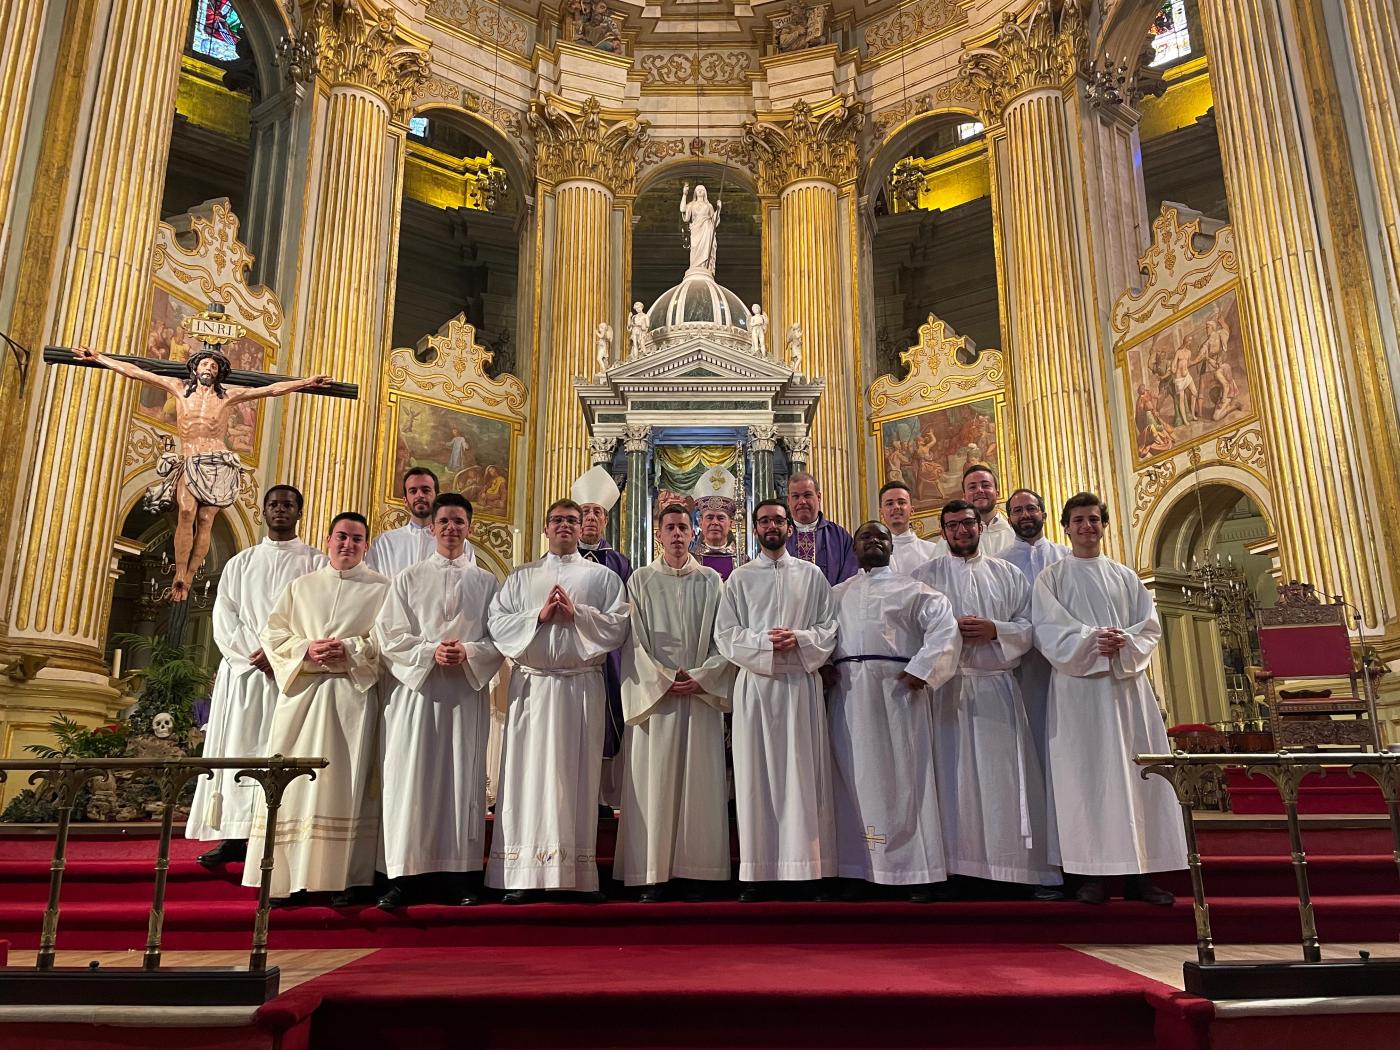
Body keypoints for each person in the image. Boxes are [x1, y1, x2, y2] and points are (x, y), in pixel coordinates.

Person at [72, 345, 329, 600]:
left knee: (206, 520)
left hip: (218, 462)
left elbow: (270, 390)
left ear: (219, 373)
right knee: (186, 511)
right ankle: (179, 572)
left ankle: (191, 574)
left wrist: (305, 382)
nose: (209, 368)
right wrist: (100, 358)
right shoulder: (178, 388)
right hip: (191, 459)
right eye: (205, 364)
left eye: (214, 366)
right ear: (195, 368)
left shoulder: (228, 396)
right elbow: (137, 373)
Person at [1032, 492, 1186, 905]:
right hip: (1079, 691)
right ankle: (1091, 874)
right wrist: (1092, 640)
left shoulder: (1126, 577)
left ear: (1103, 525)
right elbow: (1048, 632)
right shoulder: (1052, 578)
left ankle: (1141, 874)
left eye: (1094, 519)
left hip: (1126, 690)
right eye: (1078, 520)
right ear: (1065, 527)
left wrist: (1126, 641)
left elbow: (1150, 628)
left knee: (1139, 779)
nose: (1087, 527)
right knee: (1086, 779)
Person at [485, 498, 631, 903]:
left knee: (576, 778)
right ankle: (520, 873)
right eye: (557, 520)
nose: (565, 525)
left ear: (583, 524)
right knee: (526, 778)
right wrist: (539, 615)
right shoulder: (520, 576)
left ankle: (575, 873)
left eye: (572, 519)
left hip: (579, 688)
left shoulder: (601, 578)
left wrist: (578, 614)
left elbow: (618, 624)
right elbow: (498, 623)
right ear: (546, 529)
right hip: (532, 688)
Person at [242, 512, 391, 903]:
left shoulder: (382, 590)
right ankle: (284, 878)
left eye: (357, 539)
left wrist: (350, 649)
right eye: (341, 536)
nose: (348, 544)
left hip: (352, 700)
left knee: (346, 783)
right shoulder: (301, 587)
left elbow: (386, 643)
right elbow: (273, 634)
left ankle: (343, 879)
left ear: (366, 546)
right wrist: (306, 649)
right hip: (303, 699)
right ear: (328, 540)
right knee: (294, 782)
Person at [913, 501, 1059, 897]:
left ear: (981, 526)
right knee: (950, 779)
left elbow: (1031, 628)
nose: (961, 531)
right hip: (948, 690)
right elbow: (911, 631)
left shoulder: (1007, 573)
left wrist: (996, 630)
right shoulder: (924, 577)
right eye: (952, 526)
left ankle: (1011, 869)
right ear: (942, 533)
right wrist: (949, 634)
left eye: (967, 523)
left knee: (1003, 778)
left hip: (996, 686)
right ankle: (951, 870)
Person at [373, 494, 504, 910]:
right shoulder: (409, 578)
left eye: (459, 521)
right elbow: (389, 634)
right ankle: (404, 878)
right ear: (432, 528)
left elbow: (498, 638)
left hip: (465, 692)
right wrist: (430, 652)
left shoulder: (486, 583)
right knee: (412, 778)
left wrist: (468, 651)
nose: (451, 528)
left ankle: (459, 875)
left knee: (461, 779)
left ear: (470, 528)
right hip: (417, 694)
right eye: (444, 521)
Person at [189, 485, 325, 867]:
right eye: (274, 504)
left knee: (281, 753)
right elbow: (225, 616)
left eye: (288, 505)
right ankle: (234, 835)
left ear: (300, 512)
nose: (280, 510)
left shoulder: (315, 563)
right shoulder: (240, 563)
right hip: (246, 675)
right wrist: (253, 655)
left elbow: (319, 617)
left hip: (291, 677)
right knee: (241, 750)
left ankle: (280, 834)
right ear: (263, 511)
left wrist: (283, 654)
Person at [828, 522, 959, 901]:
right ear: (854, 547)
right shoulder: (837, 593)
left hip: (899, 690)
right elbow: (820, 633)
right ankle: (856, 868)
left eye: (881, 537)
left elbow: (945, 629)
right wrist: (820, 664)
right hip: (850, 692)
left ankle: (914, 871)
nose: (874, 542)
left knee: (906, 774)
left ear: (891, 546)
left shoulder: (914, 590)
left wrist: (923, 668)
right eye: (866, 537)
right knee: (851, 775)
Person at [716, 499, 838, 902]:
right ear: (754, 529)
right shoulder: (740, 578)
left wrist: (800, 640)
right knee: (756, 777)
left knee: (803, 776)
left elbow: (829, 628)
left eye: (778, 520)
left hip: (800, 685)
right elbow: (726, 634)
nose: (772, 526)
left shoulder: (812, 575)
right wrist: (766, 642)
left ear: (790, 527)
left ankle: (807, 868)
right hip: (756, 687)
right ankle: (758, 870)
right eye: (764, 520)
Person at [616, 505, 735, 901]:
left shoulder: (711, 581)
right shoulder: (641, 580)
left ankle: (698, 872)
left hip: (698, 695)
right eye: (670, 528)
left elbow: (724, 637)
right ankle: (652, 872)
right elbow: (632, 642)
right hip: (658, 698)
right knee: (655, 782)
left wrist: (702, 678)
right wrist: (662, 679)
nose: (678, 534)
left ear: (693, 533)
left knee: (700, 782)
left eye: (684, 527)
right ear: (659, 534)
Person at [572, 466, 634, 814]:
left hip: (609, 658)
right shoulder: (560, 559)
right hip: (568, 658)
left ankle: (607, 798)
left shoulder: (620, 562)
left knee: (610, 723)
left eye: (597, 512)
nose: (591, 518)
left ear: (606, 520)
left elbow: (625, 613)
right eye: (585, 512)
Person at [996, 487, 1069, 772]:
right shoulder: (1000, 564)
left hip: (1066, 662)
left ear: (1044, 513)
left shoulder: (1066, 557)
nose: (1025, 515)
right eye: (1018, 510)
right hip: (1024, 666)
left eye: (1031, 508)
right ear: (1009, 518)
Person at [367, 467, 470, 577]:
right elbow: (371, 586)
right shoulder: (383, 543)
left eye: (426, 490)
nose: (419, 495)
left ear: (437, 497)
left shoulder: (461, 544)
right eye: (413, 491)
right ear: (405, 500)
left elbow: (469, 584)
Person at [784, 472, 858, 586]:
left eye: (807, 495)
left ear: (818, 497)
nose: (802, 501)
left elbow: (851, 577)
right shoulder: (780, 536)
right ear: (788, 501)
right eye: (796, 496)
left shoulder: (839, 536)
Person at [929, 464, 1015, 560]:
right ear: (964, 496)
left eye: (985, 485)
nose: (979, 490)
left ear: (997, 493)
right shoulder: (951, 539)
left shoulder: (1015, 531)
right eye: (972, 487)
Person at [689, 466, 746, 580]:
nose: (715, 522)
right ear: (700, 522)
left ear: (731, 523)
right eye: (709, 517)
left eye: (720, 518)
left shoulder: (743, 562)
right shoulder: (689, 561)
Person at [877, 480, 935, 574]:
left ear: (912, 510)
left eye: (901, 502)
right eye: (889, 503)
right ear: (881, 513)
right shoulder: (874, 553)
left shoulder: (932, 551)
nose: (896, 507)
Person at [680, 182, 721, 275]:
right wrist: (684, 195)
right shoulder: (691, 204)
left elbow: (714, 221)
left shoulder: (709, 205)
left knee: (706, 249)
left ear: (705, 193)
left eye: (702, 190)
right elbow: (683, 210)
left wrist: (718, 209)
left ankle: (705, 267)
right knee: (695, 248)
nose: (700, 191)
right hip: (696, 230)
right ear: (695, 192)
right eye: (698, 190)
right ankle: (695, 267)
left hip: (707, 229)